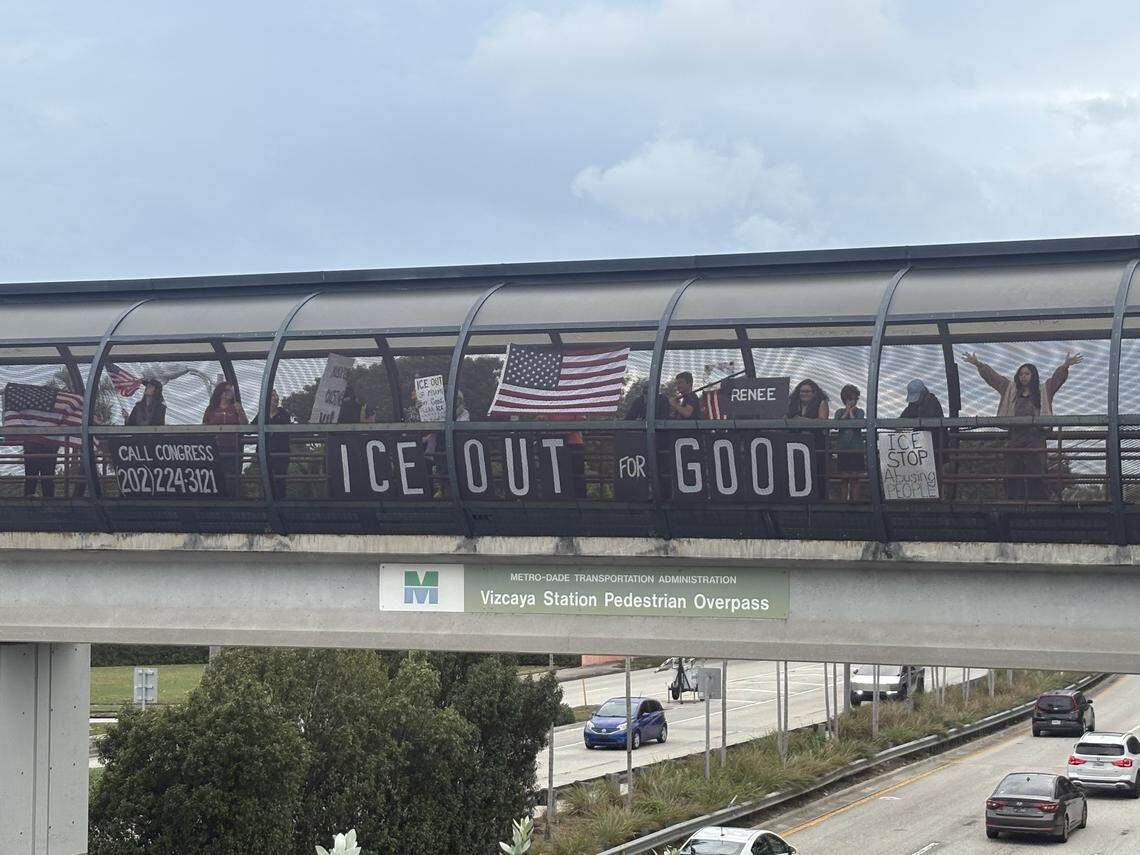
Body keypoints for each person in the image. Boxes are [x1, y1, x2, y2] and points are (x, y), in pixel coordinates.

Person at [962, 350, 1082, 500]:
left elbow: (1057, 379)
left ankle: (1039, 502)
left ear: (1033, 376)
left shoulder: (1043, 390)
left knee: (1036, 472)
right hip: (1016, 437)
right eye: (1021, 374)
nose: (1023, 377)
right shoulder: (1010, 389)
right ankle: (1013, 501)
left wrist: (1065, 365)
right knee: (1012, 470)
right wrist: (978, 364)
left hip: (1036, 438)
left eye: (1027, 374)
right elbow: (993, 378)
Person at [203, 382, 249, 497]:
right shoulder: (212, 409)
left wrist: (240, 411)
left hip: (232, 448)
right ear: (221, 393)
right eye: (228, 391)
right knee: (215, 475)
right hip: (214, 448)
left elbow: (245, 425)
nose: (230, 393)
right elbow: (204, 425)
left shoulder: (235, 408)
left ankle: (232, 499)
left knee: (231, 477)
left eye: (231, 391)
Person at [253, 389, 292, 498]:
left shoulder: (283, 413)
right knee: (266, 482)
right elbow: (250, 428)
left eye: (276, 395)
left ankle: (281, 506)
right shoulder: (262, 414)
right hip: (265, 453)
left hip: (281, 453)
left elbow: (285, 425)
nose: (275, 398)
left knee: (280, 481)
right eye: (272, 395)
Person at [832, 384, 865, 500]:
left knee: (856, 478)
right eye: (849, 399)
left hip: (857, 449)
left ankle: (855, 501)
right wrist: (846, 411)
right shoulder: (839, 412)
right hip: (843, 449)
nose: (852, 402)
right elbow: (836, 425)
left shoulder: (860, 412)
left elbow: (857, 424)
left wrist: (851, 412)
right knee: (844, 478)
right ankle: (843, 501)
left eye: (854, 399)